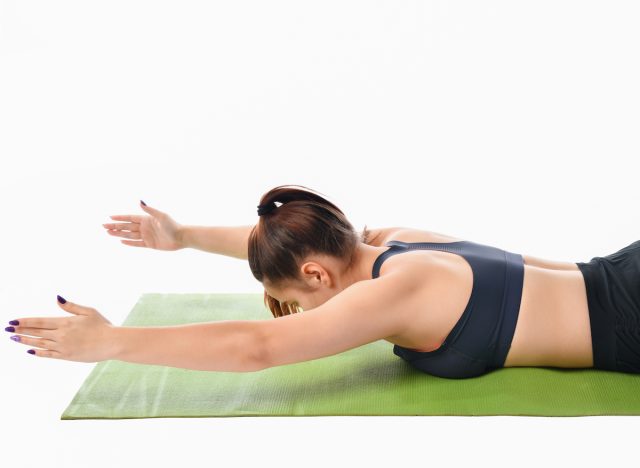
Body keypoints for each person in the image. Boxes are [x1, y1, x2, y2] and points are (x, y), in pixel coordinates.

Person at [6, 185, 640, 378]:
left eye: (297, 299)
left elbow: (258, 349)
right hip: (620, 273)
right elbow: (288, 242)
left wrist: (116, 342)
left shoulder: (392, 292)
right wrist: (187, 237)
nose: (300, 311)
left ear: (315, 273)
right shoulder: (394, 239)